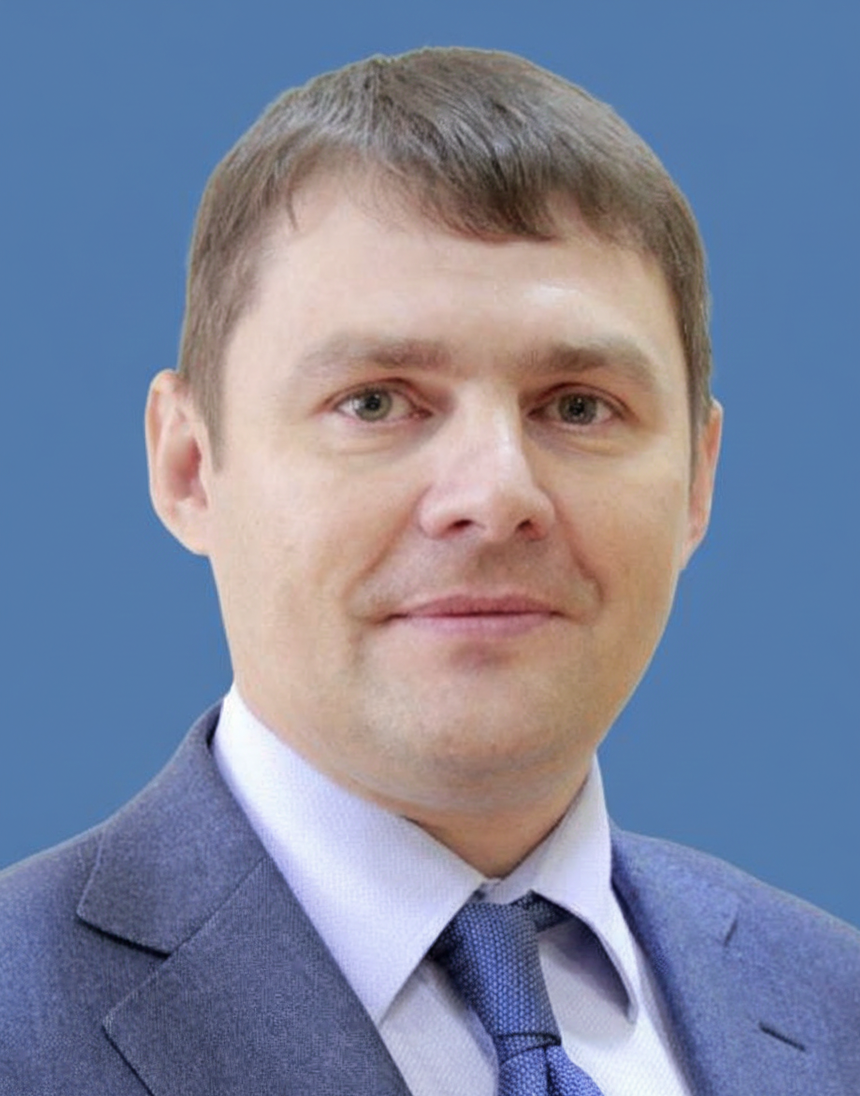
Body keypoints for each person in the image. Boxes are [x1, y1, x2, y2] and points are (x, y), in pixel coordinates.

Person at [0, 46, 857, 1096]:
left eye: (577, 406)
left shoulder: (837, 1006)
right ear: (188, 466)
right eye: (375, 402)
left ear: (697, 479)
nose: (495, 495)